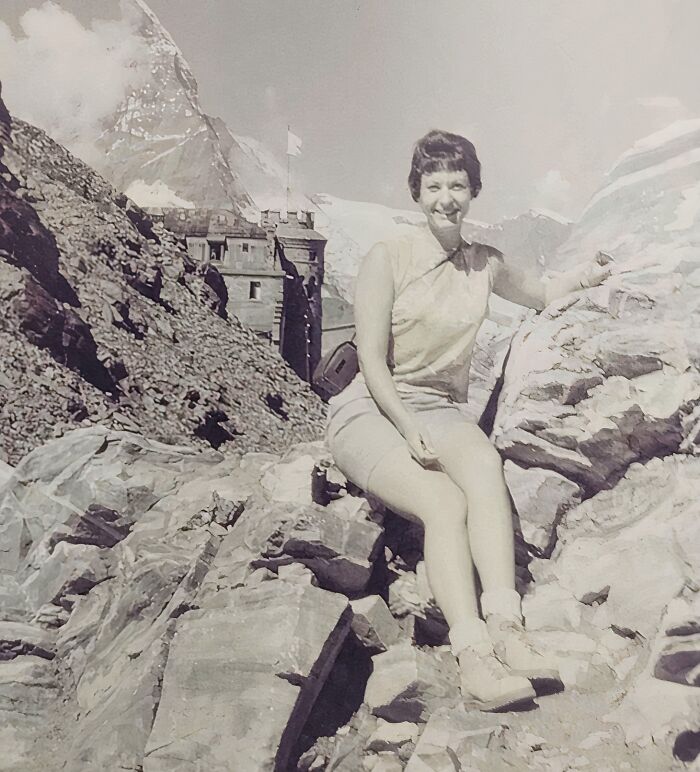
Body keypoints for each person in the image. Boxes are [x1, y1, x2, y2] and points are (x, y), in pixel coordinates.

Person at [325, 129, 612, 712]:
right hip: (371, 409)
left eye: (458, 184)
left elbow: (544, 291)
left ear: (474, 190)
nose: (446, 197)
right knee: (443, 502)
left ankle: (508, 628)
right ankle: (474, 656)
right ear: (417, 191)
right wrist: (408, 429)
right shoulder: (388, 258)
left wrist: (590, 276)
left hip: (441, 408)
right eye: (434, 185)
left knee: (484, 466)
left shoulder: (485, 264)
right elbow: (373, 361)